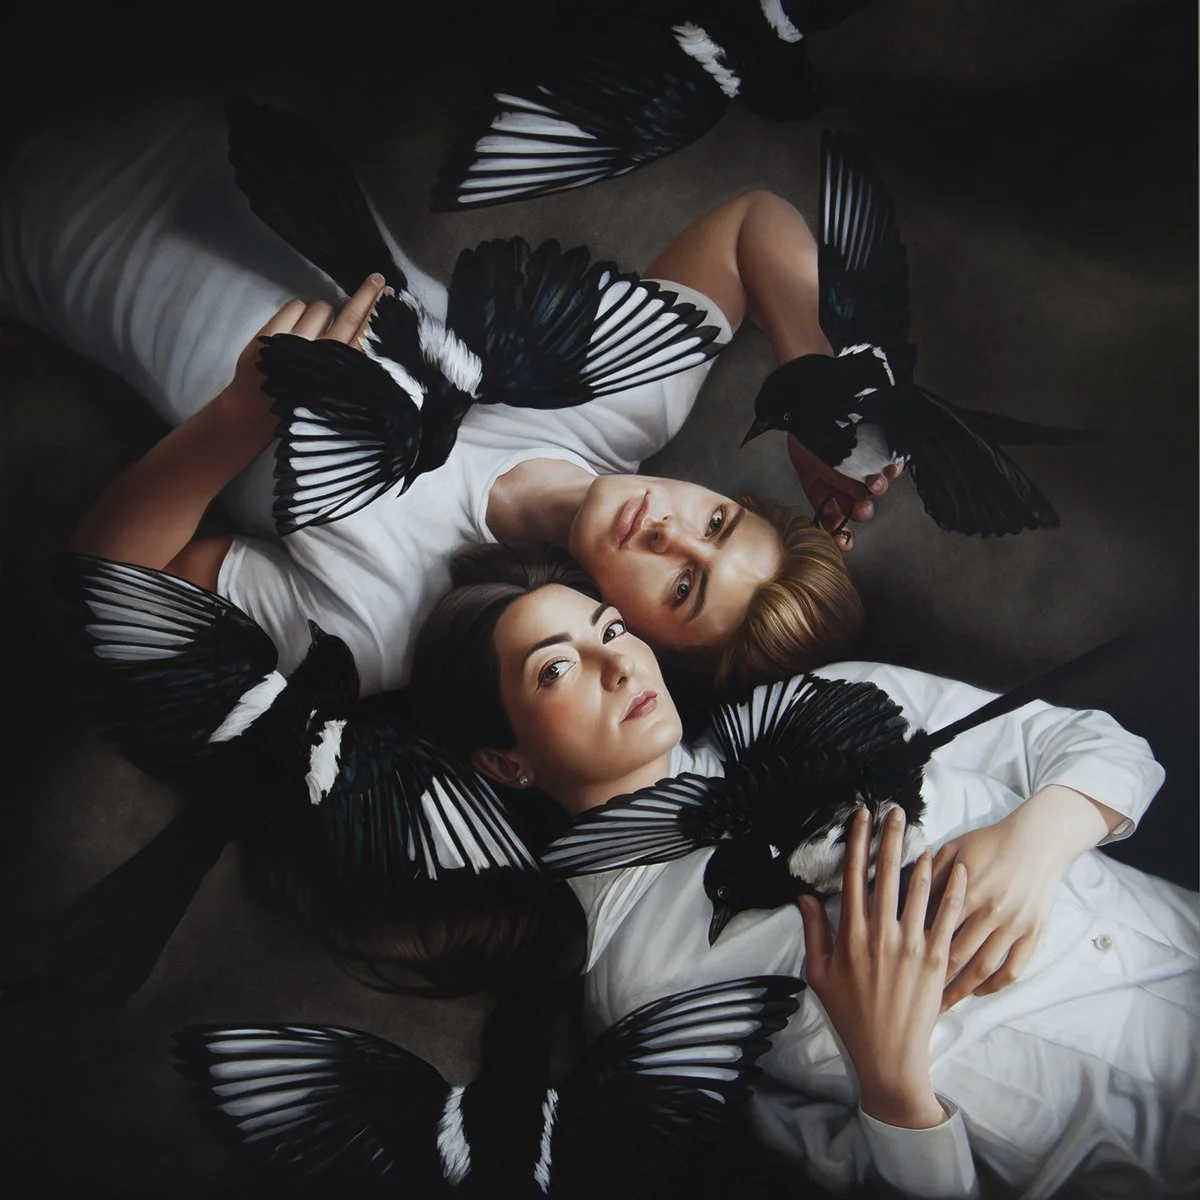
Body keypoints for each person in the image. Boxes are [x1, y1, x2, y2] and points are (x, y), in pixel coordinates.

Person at [0, 90, 889, 699]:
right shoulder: (623, 402)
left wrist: (239, 422)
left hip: (39, 221)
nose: (672, 532)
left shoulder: (380, 625)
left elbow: (110, 592)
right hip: (188, 112)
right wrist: (811, 386)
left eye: (685, 588)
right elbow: (751, 224)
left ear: (643, 642)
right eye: (719, 524)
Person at [405, 542, 1200, 1199]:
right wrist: (892, 1083)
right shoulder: (642, 996)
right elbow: (855, 1177)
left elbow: (1103, 746)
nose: (616, 666)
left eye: (611, 629)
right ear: (507, 763)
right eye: (554, 670)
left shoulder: (825, 701)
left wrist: (1039, 838)